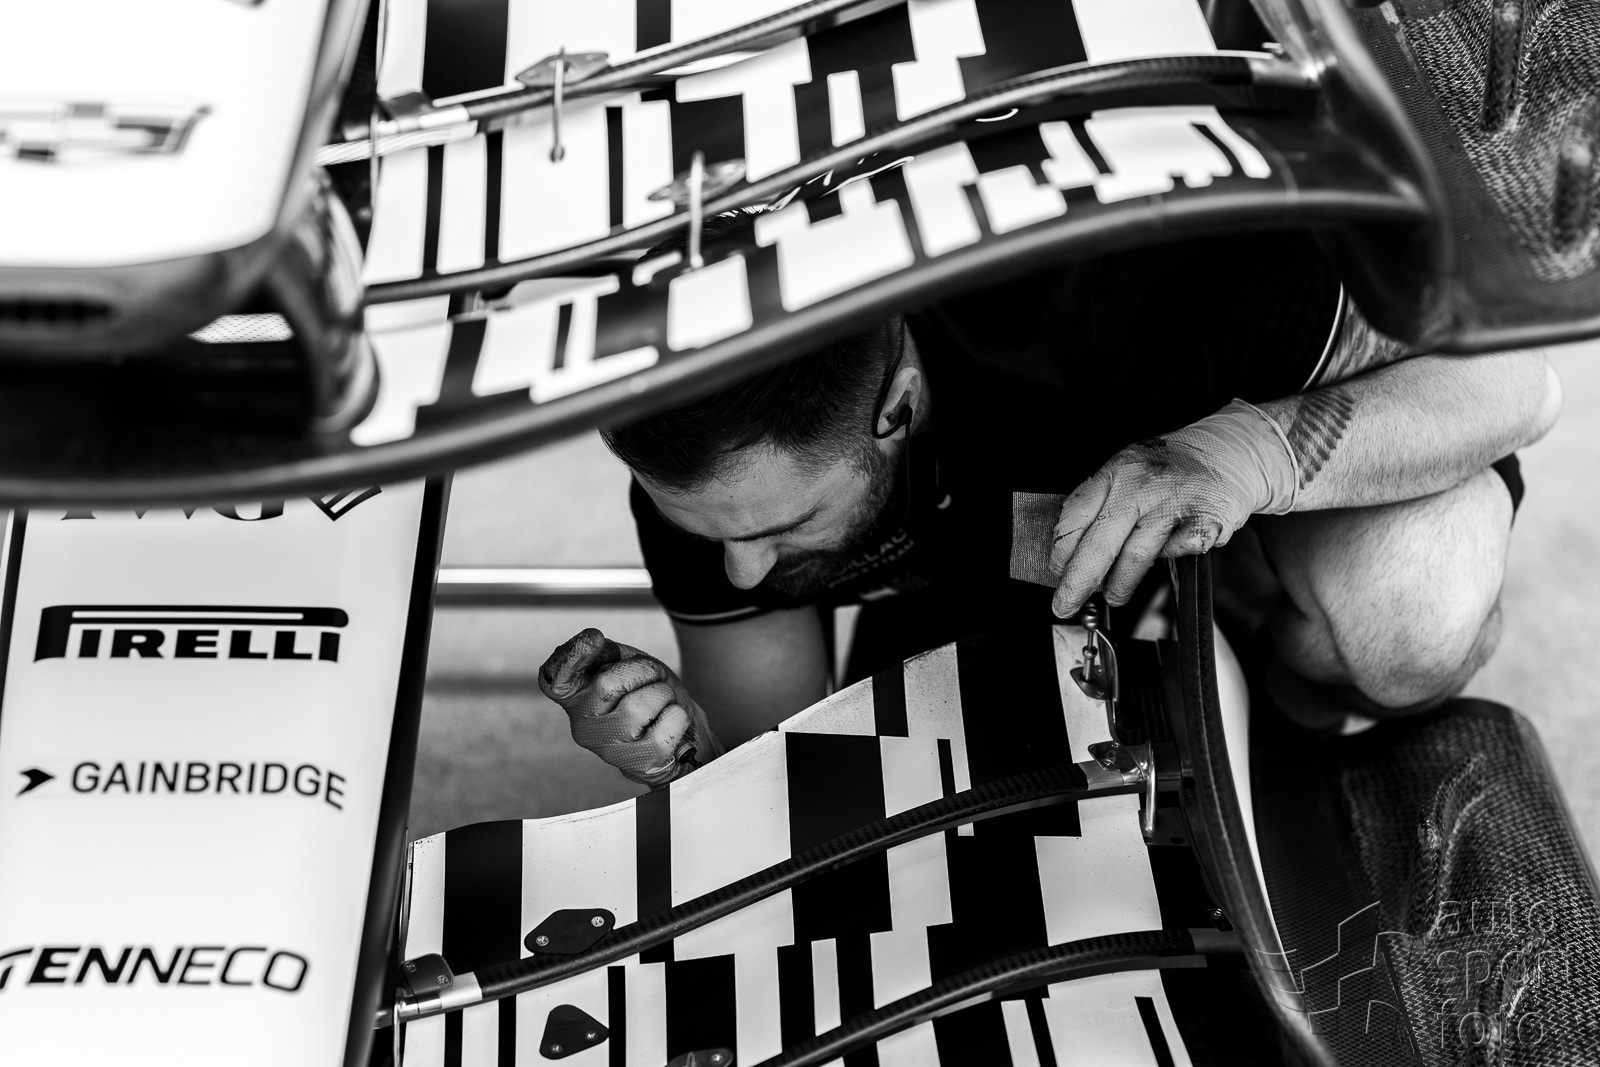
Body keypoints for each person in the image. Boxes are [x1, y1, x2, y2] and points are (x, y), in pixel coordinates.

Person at [537, 216, 1562, 787]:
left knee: (1404, 624)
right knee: (937, 807)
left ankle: (1280, 688)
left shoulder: (1132, 282)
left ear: (897, 407)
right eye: (705, 531)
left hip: (1247, 427)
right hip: (995, 578)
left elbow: (1518, 383)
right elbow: (781, 761)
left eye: (782, 527)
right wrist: (685, 754)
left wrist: (1251, 453)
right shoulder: (712, 479)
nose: (743, 569)